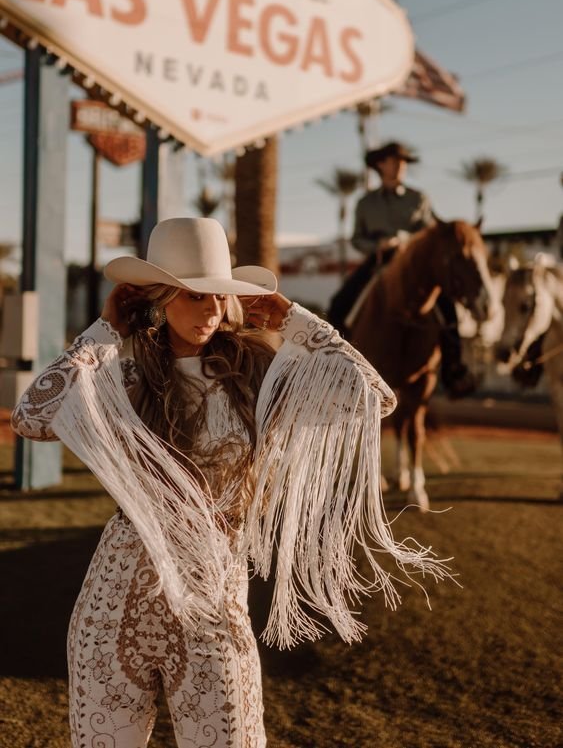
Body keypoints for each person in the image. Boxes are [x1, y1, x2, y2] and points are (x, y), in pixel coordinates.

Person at [11, 216, 454, 748]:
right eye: (194, 295)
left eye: (219, 297)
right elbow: (31, 417)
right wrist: (103, 331)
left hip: (215, 598)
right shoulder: (122, 375)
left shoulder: (258, 372)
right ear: (158, 297)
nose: (210, 310)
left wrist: (296, 320)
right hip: (113, 603)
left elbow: (373, 397)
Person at [328, 141, 475, 398]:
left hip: (416, 268)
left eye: (404, 162)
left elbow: (432, 234)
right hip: (379, 262)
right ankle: (334, 366)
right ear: (380, 165)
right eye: (395, 161)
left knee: (448, 310)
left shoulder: (419, 199)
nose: (400, 167)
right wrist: (377, 244)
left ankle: (454, 370)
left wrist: (408, 241)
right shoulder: (365, 203)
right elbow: (356, 239)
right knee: (339, 305)